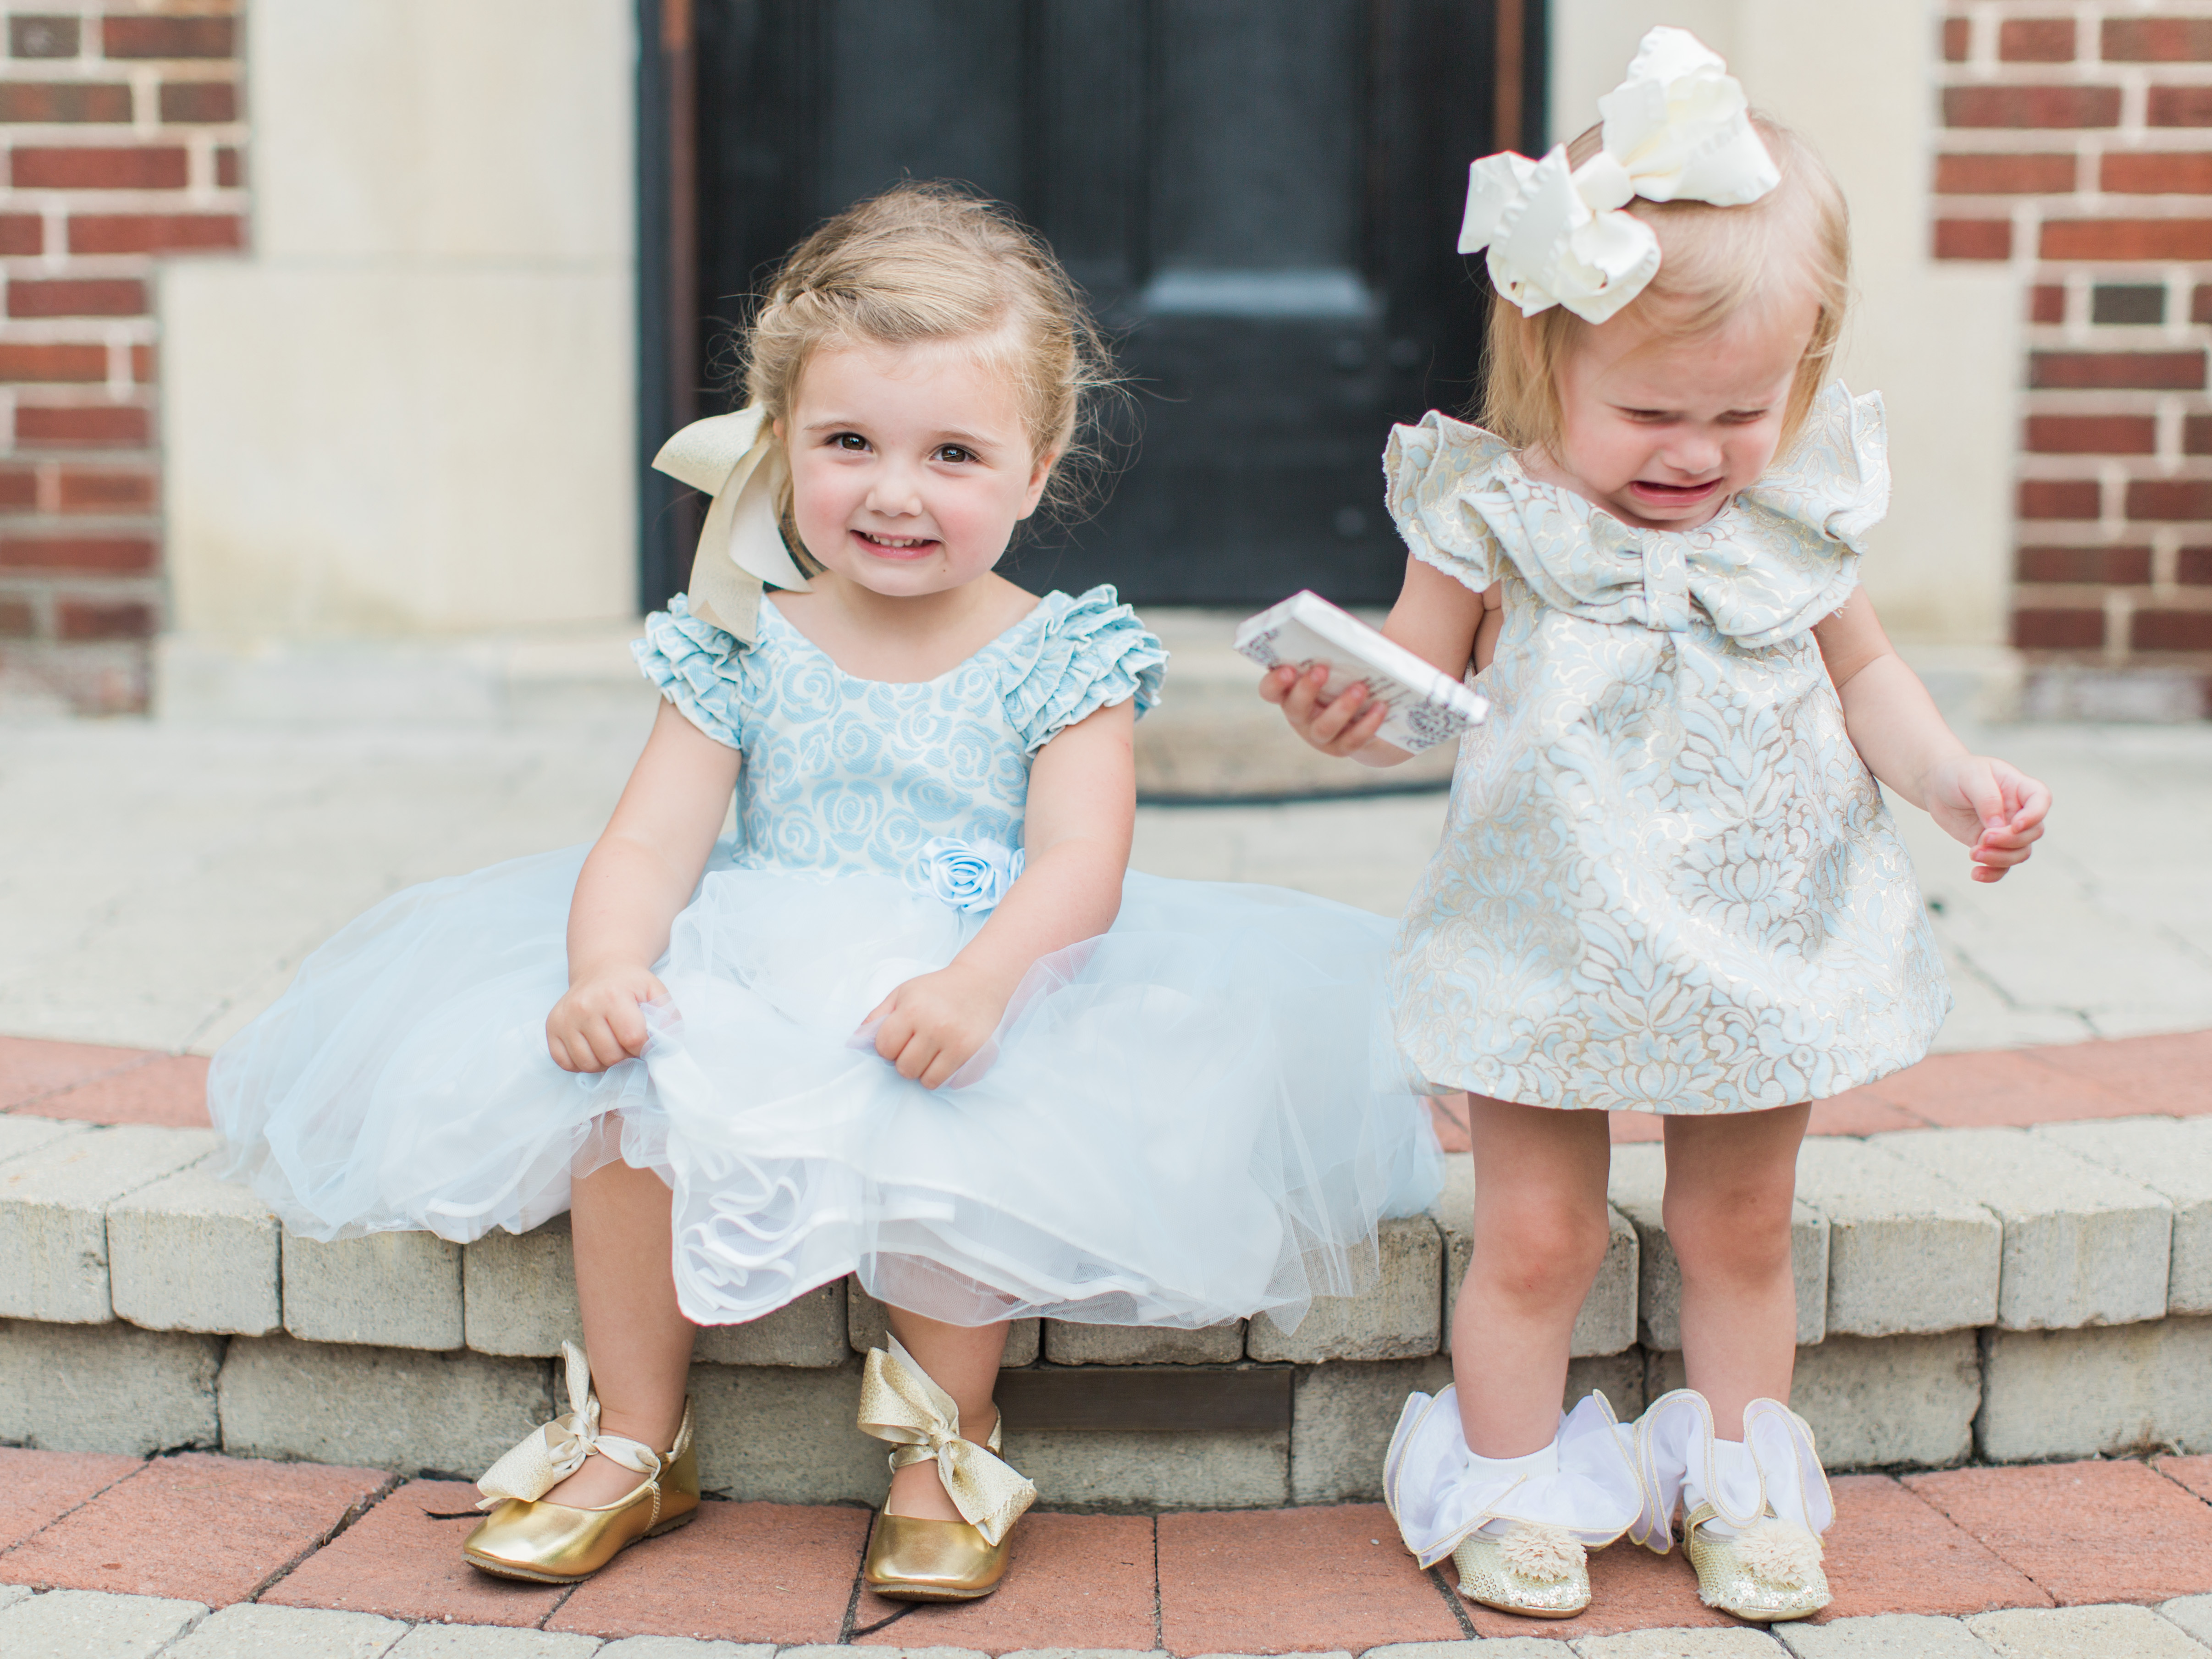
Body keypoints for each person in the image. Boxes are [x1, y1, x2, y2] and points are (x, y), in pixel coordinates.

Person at [209, 182, 1440, 1603]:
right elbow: (650, 846)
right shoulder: (744, 638)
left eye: (952, 453)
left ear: (1036, 470)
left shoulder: (1065, 653)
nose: (895, 490)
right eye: (848, 442)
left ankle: (943, 1441)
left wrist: (981, 979)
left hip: (986, 962)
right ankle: (629, 1432)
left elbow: (1079, 865)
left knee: (961, 1102)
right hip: (764, 942)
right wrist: (606, 963)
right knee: (630, 1086)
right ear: (782, 445)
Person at [1263, 30, 2049, 1625]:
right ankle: (1508, 1486)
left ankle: (1745, 1488)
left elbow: (1869, 673)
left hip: (1756, 930)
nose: (1696, 454)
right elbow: (1422, 690)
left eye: (1742, 411)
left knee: (1737, 1220)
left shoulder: (1794, 517)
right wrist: (1351, 708)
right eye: (1651, 413)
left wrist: (1953, 778)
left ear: (1803, 377)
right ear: (1548, 358)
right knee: (1539, 1234)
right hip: (1548, 934)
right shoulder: (1488, 512)